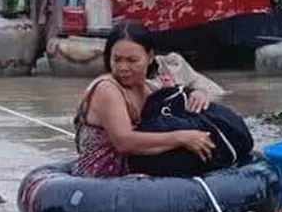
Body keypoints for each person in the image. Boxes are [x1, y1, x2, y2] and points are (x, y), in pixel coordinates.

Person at [72, 20, 215, 177]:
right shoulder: (107, 89)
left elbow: (175, 98)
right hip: (102, 177)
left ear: (150, 57)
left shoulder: (149, 88)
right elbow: (124, 142)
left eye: (132, 60)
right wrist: (182, 138)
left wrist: (194, 94)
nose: (123, 68)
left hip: (141, 168)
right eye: (117, 59)